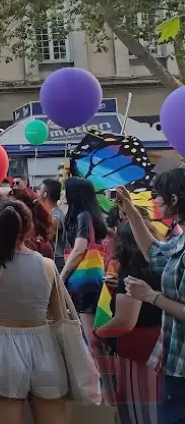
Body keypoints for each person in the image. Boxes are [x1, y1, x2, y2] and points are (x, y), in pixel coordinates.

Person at [0, 199, 68, 424]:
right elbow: (59, 316)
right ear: (29, 227)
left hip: (1, 348)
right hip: (44, 347)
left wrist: (0, 316)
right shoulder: (47, 265)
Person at [115, 169, 185, 424]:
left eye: (158, 195)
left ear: (174, 199)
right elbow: (153, 254)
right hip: (176, 363)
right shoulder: (180, 240)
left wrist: (151, 296)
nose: (155, 200)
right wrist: (131, 210)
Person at [92, 219, 162, 424]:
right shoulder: (159, 265)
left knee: (140, 409)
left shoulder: (132, 271)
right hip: (159, 346)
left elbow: (125, 322)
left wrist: (97, 334)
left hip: (138, 350)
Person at [60, 177, 109, 341]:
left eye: (65, 191)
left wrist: (62, 276)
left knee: (89, 337)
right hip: (91, 280)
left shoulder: (83, 216)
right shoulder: (91, 215)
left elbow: (79, 249)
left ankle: (95, 359)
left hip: (83, 284)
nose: (63, 195)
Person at [39, 178, 67, 269]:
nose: (37, 193)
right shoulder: (51, 214)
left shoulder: (55, 218)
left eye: (39, 190)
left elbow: (44, 239)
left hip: (57, 261)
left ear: (45, 194)